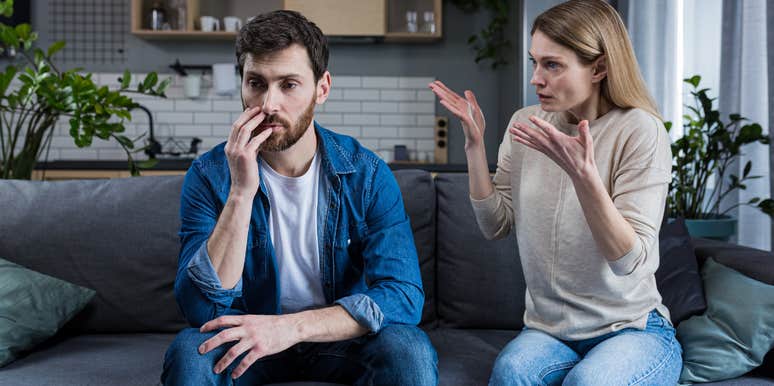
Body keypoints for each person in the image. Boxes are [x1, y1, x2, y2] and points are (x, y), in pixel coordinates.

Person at [161, 10, 437, 386]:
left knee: (409, 349)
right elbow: (200, 308)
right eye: (256, 83)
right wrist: (241, 192)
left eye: (288, 84)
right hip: (250, 341)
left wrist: (291, 328)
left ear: (322, 88)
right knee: (190, 353)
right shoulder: (209, 176)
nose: (269, 104)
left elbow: (402, 295)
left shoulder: (367, 174)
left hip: (338, 340)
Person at [429, 1, 681, 385]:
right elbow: (495, 225)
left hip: (631, 328)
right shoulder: (526, 124)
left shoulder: (640, 131)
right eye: (535, 62)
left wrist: (585, 177)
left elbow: (631, 263)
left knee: (588, 382)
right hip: (549, 331)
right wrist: (475, 147)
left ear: (598, 68)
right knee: (510, 374)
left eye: (552, 65)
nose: (535, 79)